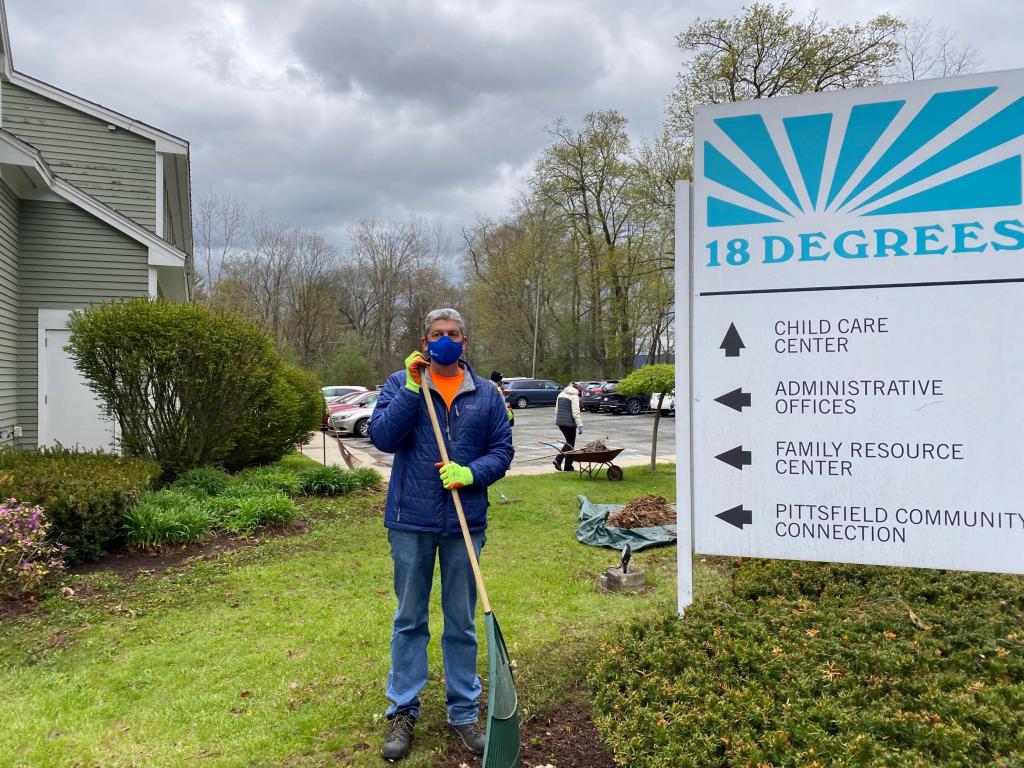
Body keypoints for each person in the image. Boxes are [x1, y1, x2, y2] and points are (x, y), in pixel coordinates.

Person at [369, 308, 514, 762]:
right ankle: (402, 710)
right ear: (425, 341)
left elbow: (503, 451)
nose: (445, 340)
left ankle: (464, 710)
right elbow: (383, 437)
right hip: (410, 521)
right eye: (437, 335)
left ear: (464, 342)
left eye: (452, 334)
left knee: (460, 621)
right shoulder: (400, 384)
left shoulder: (486, 394)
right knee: (409, 618)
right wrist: (414, 388)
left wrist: (470, 473)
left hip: (463, 523)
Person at [553, 382, 584, 472]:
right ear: (578, 390)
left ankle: (564, 463)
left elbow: (556, 409)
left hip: (561, 423)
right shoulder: (574, 396)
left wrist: (558, 422)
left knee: (569, 443)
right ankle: (564, 464)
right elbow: (576, 413)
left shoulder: (561, 394)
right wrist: (580, 425)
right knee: (570, 444)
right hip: (569, 424)